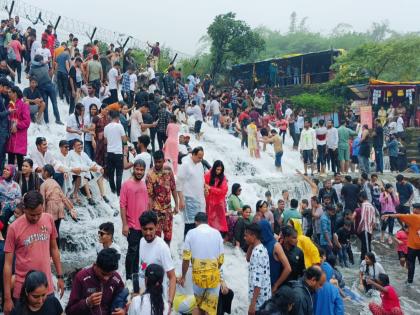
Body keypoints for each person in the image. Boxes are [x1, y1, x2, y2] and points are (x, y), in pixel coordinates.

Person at [3, 191, 64, 315]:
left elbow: (54, 249)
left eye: (38, 214)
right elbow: (8, 265)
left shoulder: (49, 219)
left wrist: (60, 276)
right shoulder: (14, 228)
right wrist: (7, 298)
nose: (35, 218)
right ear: (24, 209)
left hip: (46, 287)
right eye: (32, 215)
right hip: (23, 289)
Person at [179, 212, 224, 315]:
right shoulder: (216, 233)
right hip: (213, 277)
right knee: (210, 308)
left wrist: (184, 276)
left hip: (198, 277)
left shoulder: (191, 233)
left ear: (196, 222)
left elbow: (186, 258)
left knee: (198, 306)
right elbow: (221, 259)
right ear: (207, 221)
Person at [66, 248, 125, 315]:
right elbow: (69, 311)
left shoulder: (116, 278)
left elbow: (122, 299)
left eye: (110, 275)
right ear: (95, 265)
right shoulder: (81, 278)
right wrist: (87, 302)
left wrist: (124, 310)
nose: (106, 278)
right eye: (103, 274)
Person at [138, 211, 176, 308]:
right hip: (143, 297)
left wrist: (169, 303)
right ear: (141, 228)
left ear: (156, 227)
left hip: (158, 301)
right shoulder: (142, 241)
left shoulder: (162, 247)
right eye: (145, 229)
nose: (148, 233)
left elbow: (172, 277)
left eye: (151, 229)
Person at [120, 159, 149, 281]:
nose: (139, 171)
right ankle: (128, 278)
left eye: (142, 170)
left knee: (139, 252)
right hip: (132, 225)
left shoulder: (143, 183)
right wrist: (125, 225)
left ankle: (136, 275)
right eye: (137, 169)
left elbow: (146, 203)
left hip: (143, 226)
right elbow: (122, 205)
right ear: (133, 169)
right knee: (132, 252)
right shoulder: (126, 184)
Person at [382, 203, 420, 285]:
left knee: (411, 264)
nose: (413, 210)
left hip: (413, 246)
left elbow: (400, 215)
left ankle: (409, 282)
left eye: (414, 209)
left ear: (418, 210)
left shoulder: (414, 217)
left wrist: (388, 215)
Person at [146, 150, 178, 245]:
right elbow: (150, 196)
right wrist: (150, 213)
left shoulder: (168, 170)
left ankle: (166, 256)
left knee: (168, 237)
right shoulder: (150, 175)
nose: (157, 164)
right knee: (157, 238)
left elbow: (173, 188)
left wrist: (176, 204)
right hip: (156, 211)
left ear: (164, 160)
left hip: (168, 210)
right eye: (155, 162)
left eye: (159, 161)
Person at [40, 164, 77, 243]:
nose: (41, 173)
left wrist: (42, 215)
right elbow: (63, 197)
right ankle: (58, 250)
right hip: (60, 206)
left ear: (46, 173)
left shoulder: (43, 184)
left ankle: (51, 251)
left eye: (42, 171)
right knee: (56, 229)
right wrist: (71, 209)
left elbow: (42, 201)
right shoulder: (55, 183)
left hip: (51, 207)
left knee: (50, 231)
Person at [177, 147, 205, 237]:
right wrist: (181, 200)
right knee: (189, 224)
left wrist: (205, 187)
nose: (201, 159)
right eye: (199, 157)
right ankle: (187, 247)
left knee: (198, 224)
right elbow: (179, 184)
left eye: (202, 157)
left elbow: (201, 179)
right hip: (188, 199)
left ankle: (195, 245)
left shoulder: (199, 164)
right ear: (193, 154)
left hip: (198, 199)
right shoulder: (185, 165)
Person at [68, 139, 107, 204]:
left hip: (87, 171)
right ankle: (89, 198)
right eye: (78, 145)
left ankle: (103, 195)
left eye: (81, 145)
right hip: (76, 174)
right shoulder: (71, 154)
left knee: (99, 173)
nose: (80, 146)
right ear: (73, 147)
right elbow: (76, 166)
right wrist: (89, 168)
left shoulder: (83, 154)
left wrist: (99, 168)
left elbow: (91, 162)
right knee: (84, 174)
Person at [245, 223, 271, 314]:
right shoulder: (260, 248)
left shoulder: (257, 254)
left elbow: (257, 282)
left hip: (259, 302)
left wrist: (253, 305)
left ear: (254, 236)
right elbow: (247, 258)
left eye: (246, 236)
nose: (245, 238)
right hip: (263, 298)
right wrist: (251, 243)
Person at [258, 220, 291, 292]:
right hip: (259, 284)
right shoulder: (259, 243)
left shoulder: (275, 246)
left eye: (259, 231)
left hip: (270, 286)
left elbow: (288, 268)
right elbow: (248, 258)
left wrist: (276, 285)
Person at [29, 54, 62, 124]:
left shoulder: (32, 68)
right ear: (40, 61)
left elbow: (29, 77)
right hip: (49, 85)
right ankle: (58, 120)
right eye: (41, 60)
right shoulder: (44, 65)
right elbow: (50, 73)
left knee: (46, 105)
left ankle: (47, 122)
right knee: (54, 104)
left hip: (41, 87)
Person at [6, 85, 30, 170]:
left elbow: (27, 122)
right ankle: (10, 181)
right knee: (10, 162)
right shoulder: (9, 105)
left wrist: (16, 124)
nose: (8, 94)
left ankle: (20, 181)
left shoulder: (24, 105)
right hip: (11, 137)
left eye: (10, 92)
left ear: (15, 94)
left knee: (20, 164)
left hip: (20, 137)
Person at [104, 110, 127, 196]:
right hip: (118, 153)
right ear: (117, 117)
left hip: (109, 152)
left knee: (111, 173)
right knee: (119, 173)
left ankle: (112, 190)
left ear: (110, 117)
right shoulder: (119, 126)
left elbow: (105, 141)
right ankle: (118, 192)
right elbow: (124, 140)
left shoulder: (106, 127)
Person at [204, 160, 228, 233]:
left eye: (220, 170)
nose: (219, 171)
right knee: (208, 220)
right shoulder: (208, 175)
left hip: (218, 203)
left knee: (219, 222)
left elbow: (223, 191)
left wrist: (211, 188)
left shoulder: (223, 178)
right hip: (208, 201)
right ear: (214, 168)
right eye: (217, 169)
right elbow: (203, 185)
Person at [356, 191, 376, 261]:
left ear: (361, 197)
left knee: (366, 248)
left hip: (365, 229)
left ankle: (369, 263)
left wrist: (358, 228)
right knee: (365, 247)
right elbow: (374, 221)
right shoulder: (371, 206)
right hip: (369, 229)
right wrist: (372, 231)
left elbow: (363, 218)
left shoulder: (364, 205)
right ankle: (363, 262)